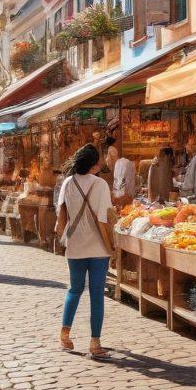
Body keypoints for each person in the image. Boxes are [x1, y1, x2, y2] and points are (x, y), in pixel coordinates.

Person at [55, 144, 113, 359]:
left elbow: (61, 214)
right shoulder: (101, 185)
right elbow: (104, 217)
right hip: (98, 246)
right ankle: (95, 343)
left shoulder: (68, 183)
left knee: (74, 290)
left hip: (75, 245)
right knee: (97, 294)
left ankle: (65, 334)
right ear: (93, 164)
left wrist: (63, 238)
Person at [111, 140, 137, 208]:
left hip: (123, 198)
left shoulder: (123, 164)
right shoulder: (121, 164)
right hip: (122, 198)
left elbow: (126, 184)